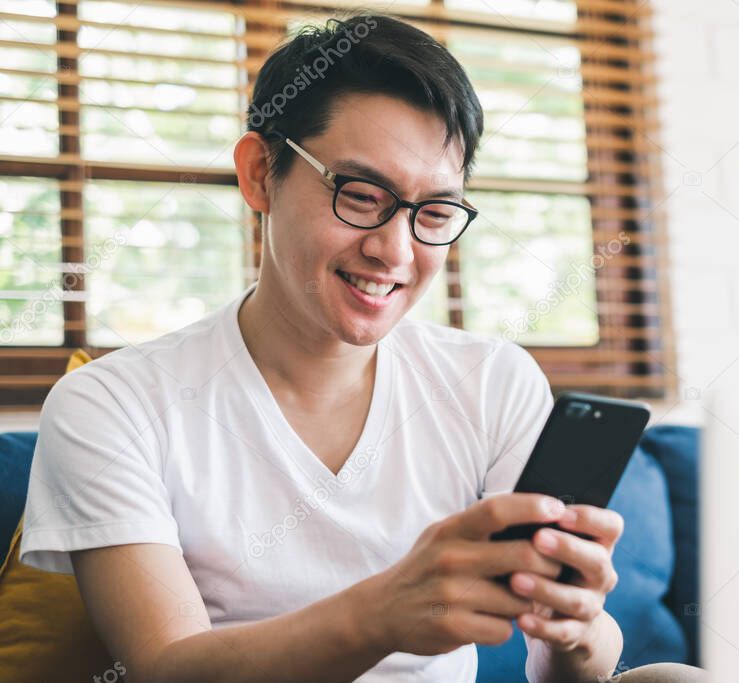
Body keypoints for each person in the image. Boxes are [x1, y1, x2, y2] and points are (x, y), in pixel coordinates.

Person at [20, 13, 701, 683]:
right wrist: (383, 612)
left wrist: (576, 634)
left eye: (434, 212)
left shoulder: (491, 380)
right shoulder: (112, 403)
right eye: (362, 194)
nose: (395, 251)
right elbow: (167, 667)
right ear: (260, 173)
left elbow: (556, 673)